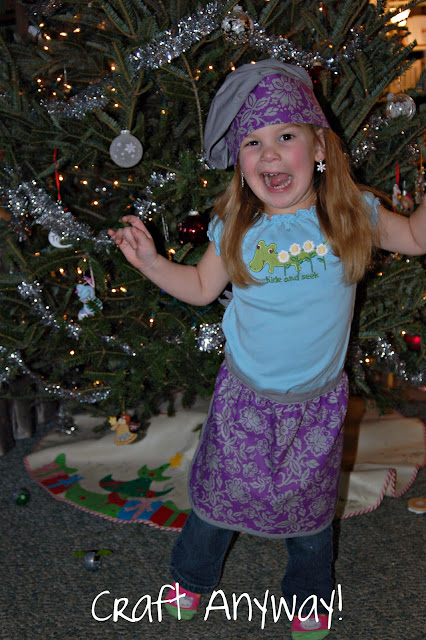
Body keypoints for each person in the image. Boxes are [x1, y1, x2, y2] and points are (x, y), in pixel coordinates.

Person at [108, 59, 426, 639]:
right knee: (217, 499)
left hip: (316, 403)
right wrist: (152, 262)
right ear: (240, 162)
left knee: (310, 513)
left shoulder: (350, 214)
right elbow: (200, 287)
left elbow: (414, 237)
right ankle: (191, 577)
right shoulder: (237, 223)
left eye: (285, 137)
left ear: (320, 148)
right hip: (246, 398)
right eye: (253, 142)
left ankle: (309, 595)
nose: (270, 154)